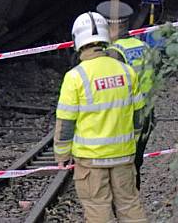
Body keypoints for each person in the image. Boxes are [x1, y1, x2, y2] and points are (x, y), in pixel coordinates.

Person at [54, 11, 147, 223]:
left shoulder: (75, 77)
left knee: (98, 209)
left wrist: (62, 154)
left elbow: (66, 123)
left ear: (77, 40)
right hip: (124, 156)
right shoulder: (126, 71)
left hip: (91, 159)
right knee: (130, 204)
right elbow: (138, 116)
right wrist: (130, 142)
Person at [97, 1, 156, 189]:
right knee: (136, 163)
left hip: (125, 117)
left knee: (119, 167)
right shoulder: (143, 46)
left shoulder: (113, 53)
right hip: (146, 114)